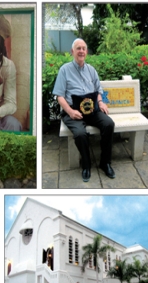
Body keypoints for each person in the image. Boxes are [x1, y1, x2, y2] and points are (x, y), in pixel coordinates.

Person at [53, 38, 115, 182]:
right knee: (80, 134)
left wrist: (101, 102)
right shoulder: (64, 70)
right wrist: (70, 111)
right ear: (72, 51)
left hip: (92, 109)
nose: (81, 51)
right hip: (73, 110)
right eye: (78, 48)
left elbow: (99, 90)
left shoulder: (91, 70)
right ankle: (86, 166)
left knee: (109, 124)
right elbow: (59, 96)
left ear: (86, 52)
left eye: (83, 48)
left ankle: (105, 163)